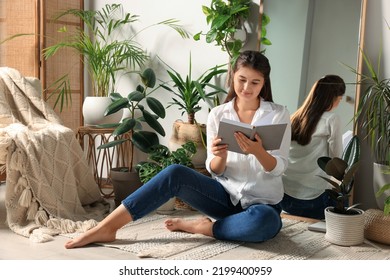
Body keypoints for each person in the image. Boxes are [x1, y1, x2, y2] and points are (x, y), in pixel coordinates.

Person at [64, 50, 291, 249]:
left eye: (255, 82)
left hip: (262, 205)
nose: (246, 88)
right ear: (233, 77)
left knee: (267, 223)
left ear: (264, 83)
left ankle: (204, 228)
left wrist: (258, 151)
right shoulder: (219, 114)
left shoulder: (278, 114)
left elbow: (278, 168)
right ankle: (107, 227)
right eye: (241, 80)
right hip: (225, 199)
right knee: (174, 173)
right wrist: (219, 157)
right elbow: (216, 171)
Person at [281, 75, 345, 220]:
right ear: (333, 97)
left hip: (284, 199)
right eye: (340, 99)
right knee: (345, 201)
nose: (339, 103)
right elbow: (337, 162)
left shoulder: (294, 117)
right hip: (315, 202)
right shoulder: (332, 119)